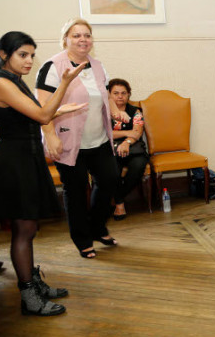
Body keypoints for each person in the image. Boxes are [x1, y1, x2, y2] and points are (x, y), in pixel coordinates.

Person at [0, 31, 87, 316]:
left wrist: (58, 108)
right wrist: (64, 85)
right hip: (13, 162)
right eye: (23, 55)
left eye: (32, 54)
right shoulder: (1, 84)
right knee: (23, 229)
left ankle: (33, 282)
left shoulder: (14, 81)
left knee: (29, 229)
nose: (29, 60)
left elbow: (34, 116)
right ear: (4, 54)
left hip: (25, 158)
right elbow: (41, 116)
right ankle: (29, 294)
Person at [36, 18, 126, 259]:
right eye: (76, 35)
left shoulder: (98, 65)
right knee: (76, 191)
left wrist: (116, 111)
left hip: (99, 140)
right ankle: (82, 238)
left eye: (87, 35)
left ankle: (97, 227)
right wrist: (50, 136)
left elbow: (104, 96)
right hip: (68, 142)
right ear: (65, 38)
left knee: (108, 181)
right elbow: (42, 107)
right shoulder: (52, 66)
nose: (83, 39)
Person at [106, 78, 148, 221]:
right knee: (113, 171)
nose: (120, 96)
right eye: (116, 93)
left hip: (133, 148)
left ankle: (117, 198)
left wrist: (127, 142)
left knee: (138, 166)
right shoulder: (103, 112)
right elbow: (106, 134)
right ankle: (120, 205)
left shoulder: (135, 111)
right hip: (110, 150)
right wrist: (126, 133)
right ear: (109, 95)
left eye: (123, 93)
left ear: (128, 95)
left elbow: (137, 132)